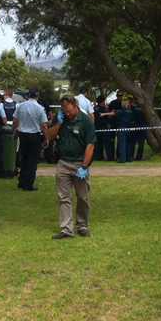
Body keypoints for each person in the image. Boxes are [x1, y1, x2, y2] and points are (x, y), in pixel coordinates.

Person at [44, 95, 96, 239]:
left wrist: (84, 166)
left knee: (82, 197)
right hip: (63, 163)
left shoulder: (86, 121)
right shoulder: (62, 120)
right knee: (63, 197)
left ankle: (82, 225)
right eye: (64, 110)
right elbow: (48, 136)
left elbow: (90, 145)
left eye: (68, 110)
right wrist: (59, 123)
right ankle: (66, 229)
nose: (66, 113)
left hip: (80, 163)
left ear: (75, 105)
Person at [13, 88, 48, 191]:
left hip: (22, 134)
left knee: (23, 159)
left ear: (28, 95)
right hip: (34, 136)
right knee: (32, 161)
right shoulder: (40, 108)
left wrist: (14, 132)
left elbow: (15, 121)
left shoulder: (20, 106)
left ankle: (21, 181)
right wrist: (46, 138)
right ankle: (28, 184)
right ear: (37, 96)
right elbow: (44, 125)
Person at [94, 95, 115, 161]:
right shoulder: (99, 108)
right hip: (102, 128)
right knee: (104, 144)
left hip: (101, 128)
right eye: (103, 101)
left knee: (102, 144)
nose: (104, 103)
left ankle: (103, 157)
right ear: (101, 102)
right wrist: (109, 113)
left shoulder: (99, 108)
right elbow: (101, 115)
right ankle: (106, 158)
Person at [115, 96, 134, 163]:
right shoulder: (130, 111)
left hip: (121, 129)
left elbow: (113, 113)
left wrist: (103, 114)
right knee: (128, 144)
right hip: (128, 129)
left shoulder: (120, 111)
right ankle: (129, 158)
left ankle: (122, 159)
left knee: (122, 144)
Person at [131, 97, 147, 161]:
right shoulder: (144, 110)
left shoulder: (133, 110)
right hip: (143, 127)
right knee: (141, 144)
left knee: (133, 143)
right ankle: (139, 157)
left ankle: (131, 156)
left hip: (135, 127)